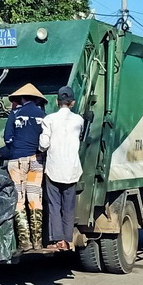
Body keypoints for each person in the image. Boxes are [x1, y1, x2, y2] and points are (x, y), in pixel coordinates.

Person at [39, 86, 84, 251]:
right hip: (72, 170)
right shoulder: (79, 120)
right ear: (73, 102)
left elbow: (44, 145)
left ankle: (57, 239)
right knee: (68, 206)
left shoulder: (49, 119)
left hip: (53, 169)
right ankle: (67, 238)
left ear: (57, 102)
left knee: (54, 205)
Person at [3, 83, 47, 251]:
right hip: (37, 161)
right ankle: (38, 241)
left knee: (19, 200)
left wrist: (15, 149)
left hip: (18, 161)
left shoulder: (15, 113)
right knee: (35, 199)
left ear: (22, 98)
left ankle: (25, 241)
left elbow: (7, 138)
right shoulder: (43, 115)